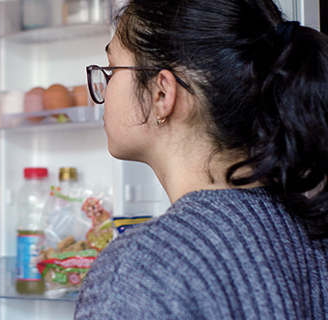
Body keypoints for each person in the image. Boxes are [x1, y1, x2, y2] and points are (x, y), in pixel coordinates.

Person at [75, 0, 328, 319]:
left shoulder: (142, 268)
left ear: (162, 94)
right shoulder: (312, 234)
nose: (104, 90)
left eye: (111, 71)